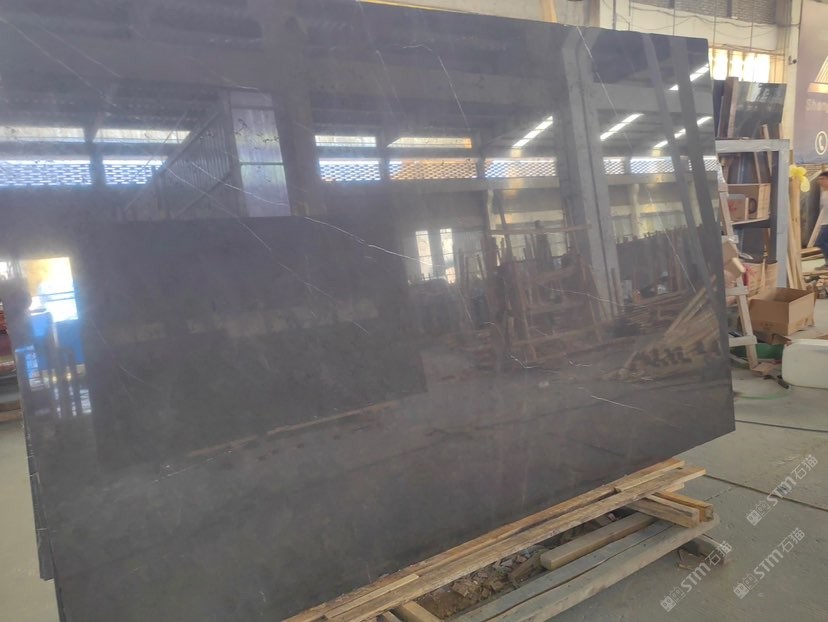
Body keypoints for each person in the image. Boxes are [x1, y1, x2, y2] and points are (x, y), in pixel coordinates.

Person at [815, 172, 828, 269]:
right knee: (821, 242)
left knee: (821, 242)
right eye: (819, 179)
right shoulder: (824, 192)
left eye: (823, 179)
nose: (820, 182)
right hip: (824, 222)